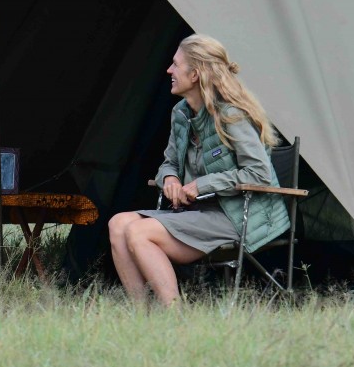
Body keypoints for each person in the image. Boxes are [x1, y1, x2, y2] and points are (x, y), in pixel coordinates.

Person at [108, 34, 290, 306]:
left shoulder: (231, 115)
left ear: (194, 74)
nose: (169, 70)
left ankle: (174, 316)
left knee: (139, 232)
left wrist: (200, 185)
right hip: (199, 212)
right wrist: (169, 178)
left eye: (175, 65)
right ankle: (142, 315)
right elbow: (169, 162)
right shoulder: (181, 113)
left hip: (237, 215)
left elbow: (259, 173)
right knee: (118, 223)